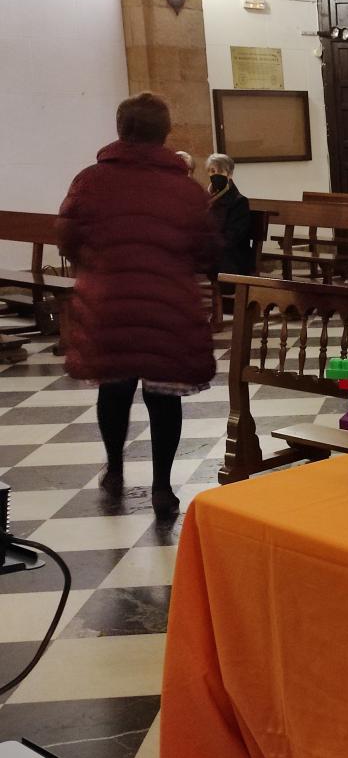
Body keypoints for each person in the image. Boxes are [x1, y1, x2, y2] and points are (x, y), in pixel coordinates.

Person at [57, 93, 219, 520]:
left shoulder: (90, 181)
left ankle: (114, 468)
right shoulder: (185, 189)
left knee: (114, 388)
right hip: (168, 303)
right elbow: (207, 247)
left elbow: (68, 238)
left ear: (120, 129)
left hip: (109, 301)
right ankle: (162, 486)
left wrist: (99, 267)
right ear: (165, 133)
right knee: (164, 396)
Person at [205, 153, 254, 277]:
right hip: (211, 250)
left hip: (232, 256)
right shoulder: (205, 199)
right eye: (212, 171)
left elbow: (232, 237)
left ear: (230, 174)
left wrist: (207, 244)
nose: (215, 175)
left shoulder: (239, 202)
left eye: (220, 171)